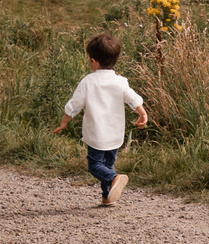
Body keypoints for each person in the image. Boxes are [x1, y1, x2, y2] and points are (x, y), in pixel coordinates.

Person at [54, 33, 146, 206]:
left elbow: (75, 104)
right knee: (107, 165)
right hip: (115, 133)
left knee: (95, 166)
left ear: (93, 61)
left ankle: (114, 178)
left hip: (96, 134)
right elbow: (133, 99)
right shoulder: (120, 82)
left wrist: (64, 121)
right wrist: (142, 113)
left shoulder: (88, 81)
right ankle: (107, 196)